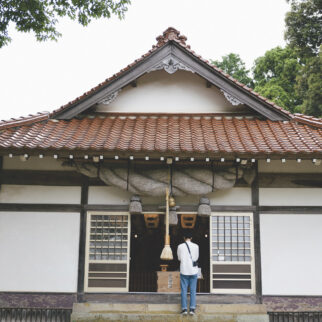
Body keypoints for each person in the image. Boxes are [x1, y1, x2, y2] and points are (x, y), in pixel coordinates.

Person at [177, 229, 199, 316]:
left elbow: (179, 258)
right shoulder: (196, 246)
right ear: (191, 237)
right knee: (193, 290)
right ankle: (192, 309)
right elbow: (196, 258)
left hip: (184, 270)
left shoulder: (180, 246)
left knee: (184, 290)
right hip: (193, 271)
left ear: (184, 238)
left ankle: (184, 309)